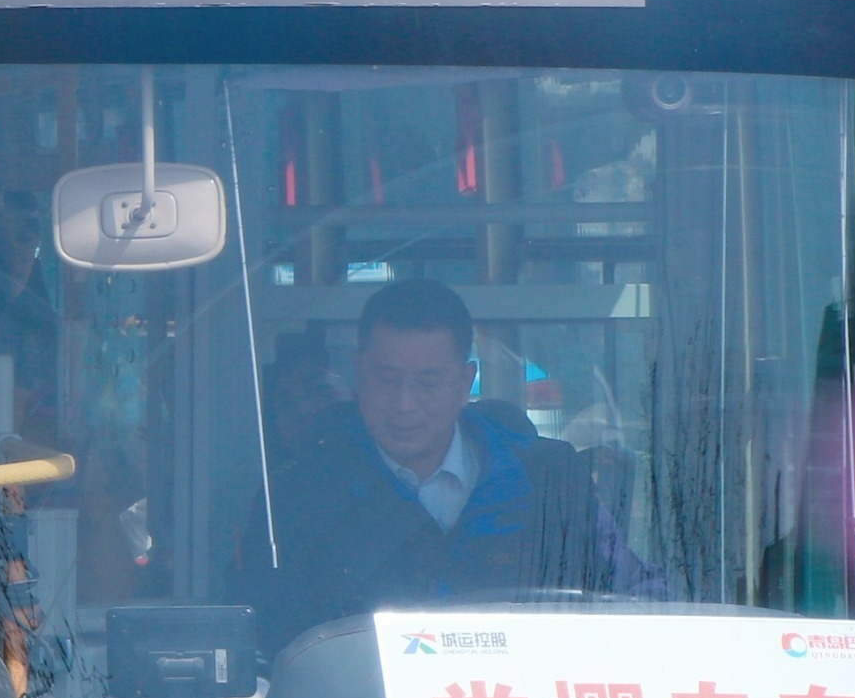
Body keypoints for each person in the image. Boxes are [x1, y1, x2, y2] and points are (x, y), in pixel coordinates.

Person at [262, 277, 643, 646]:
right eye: (386, 380)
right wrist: (252, 685)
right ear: (359, 372)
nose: (404, 404)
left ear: (465, 383)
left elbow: (633, 593)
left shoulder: (547, 479)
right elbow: (264, 628)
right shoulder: (299, 494)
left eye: (427, 382)